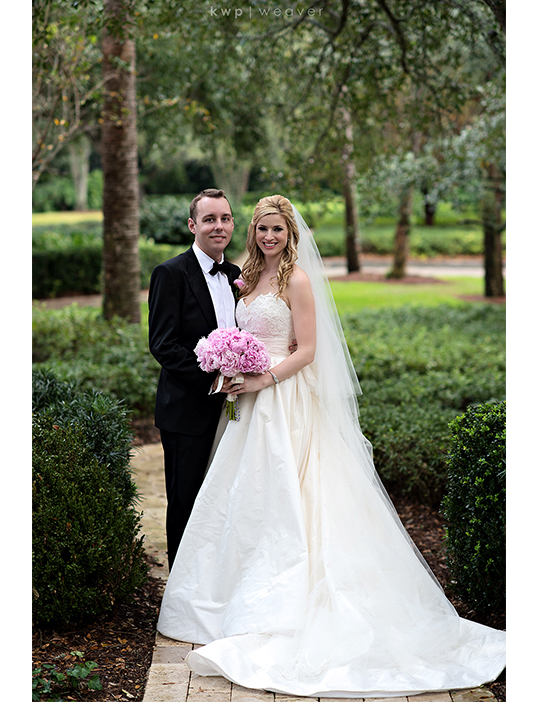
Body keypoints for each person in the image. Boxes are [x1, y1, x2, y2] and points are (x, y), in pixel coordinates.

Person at [157, 195, 506, 697]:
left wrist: (262, 379)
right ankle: (228, 596)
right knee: (244, 497)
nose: (269, 236)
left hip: (282, 399)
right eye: (262, 228)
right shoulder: (243, 277)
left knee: (290, 492)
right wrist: (230, 368)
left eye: (277, 229)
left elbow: (308, 350)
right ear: (251, 232)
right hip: (244, 406)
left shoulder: (297, 280)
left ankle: (288, 599)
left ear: (290, 233)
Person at [147, 188, 241, 569]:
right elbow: (163, 345)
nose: (219, 226)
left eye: (225, 218)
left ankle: (214, 579)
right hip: (186, 411)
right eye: (209, 219)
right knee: (185, 500)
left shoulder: (236, 275)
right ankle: (180, 587)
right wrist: (212, 382)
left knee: (222, 500)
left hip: (234, 412)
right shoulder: (170, 274)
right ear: (192, 225)